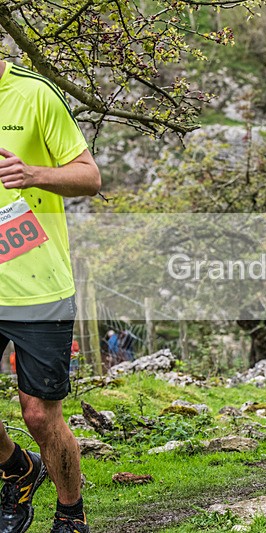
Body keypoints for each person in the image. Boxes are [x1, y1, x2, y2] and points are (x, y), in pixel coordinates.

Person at [0, 59, 101, 533]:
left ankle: (70, 513)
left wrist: (33, 173)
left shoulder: (35, 93)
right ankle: (18, 470)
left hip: (38, 286)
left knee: (39, 415)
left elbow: (89, 177)